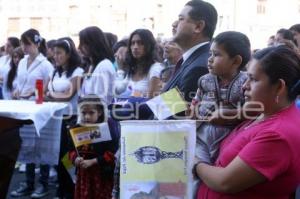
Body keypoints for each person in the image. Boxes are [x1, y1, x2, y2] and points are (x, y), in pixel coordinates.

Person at [195, 45, 300, 198]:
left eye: (253, 79)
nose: (244, 86)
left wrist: (194, 163)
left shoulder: (278, 135)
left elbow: (225, 182)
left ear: (279, 87)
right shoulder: (264, 112)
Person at [10, 29, 53, 198]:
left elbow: (48, 89)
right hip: (23, 110)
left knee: (41, 147)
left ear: (37, 43)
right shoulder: (21, 62)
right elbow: (18, 84)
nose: (24, 47)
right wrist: (17, 91)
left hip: (39, 110)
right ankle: (28, 183)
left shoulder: (46, 64)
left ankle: (43, 183)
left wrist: (33, 94)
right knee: (27, 146)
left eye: (27, 44)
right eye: (22, 43)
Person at [44, 37, 83, 199]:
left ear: (68, 54)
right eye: (54, 53)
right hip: (56, 118)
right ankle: (62, 189)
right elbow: (45, 92)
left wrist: (51, 96)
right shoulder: (55, 71)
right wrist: (52, 96)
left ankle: (71, 190)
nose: (56, 56)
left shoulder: (78, 71)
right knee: (58, 156)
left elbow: (69, 94)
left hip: (71, 118)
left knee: (68, 156)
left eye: (59, 53)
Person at [162, 0, 218, 102]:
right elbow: (164, 106)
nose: (174, 24)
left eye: (181, 19)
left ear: (198, 27)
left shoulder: (199, 67)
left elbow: (177, 112)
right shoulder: (191, 60)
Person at [69, 95, 119, 199]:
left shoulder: (107, 128)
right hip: (83, 176)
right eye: (83, 113)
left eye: (91, 113)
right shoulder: (76, 128)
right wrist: (75, 159)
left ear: (99, 112)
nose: (87, 117)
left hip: (101, 175)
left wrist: (93, 161)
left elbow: (112, 153)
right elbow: (70, 151)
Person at [79, 26, 116, 105]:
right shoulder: (91, 66)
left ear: (93, 44)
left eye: (83, 44)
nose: (79, 47)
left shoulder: (104, 66)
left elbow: (100, 100)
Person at [125, 29, 163, 98]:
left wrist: (136, 96)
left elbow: (152, 101)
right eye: (132, 43)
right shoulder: (132, 69)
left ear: (149, 45)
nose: (135, 47)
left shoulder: (156, 68)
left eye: (140, 43)